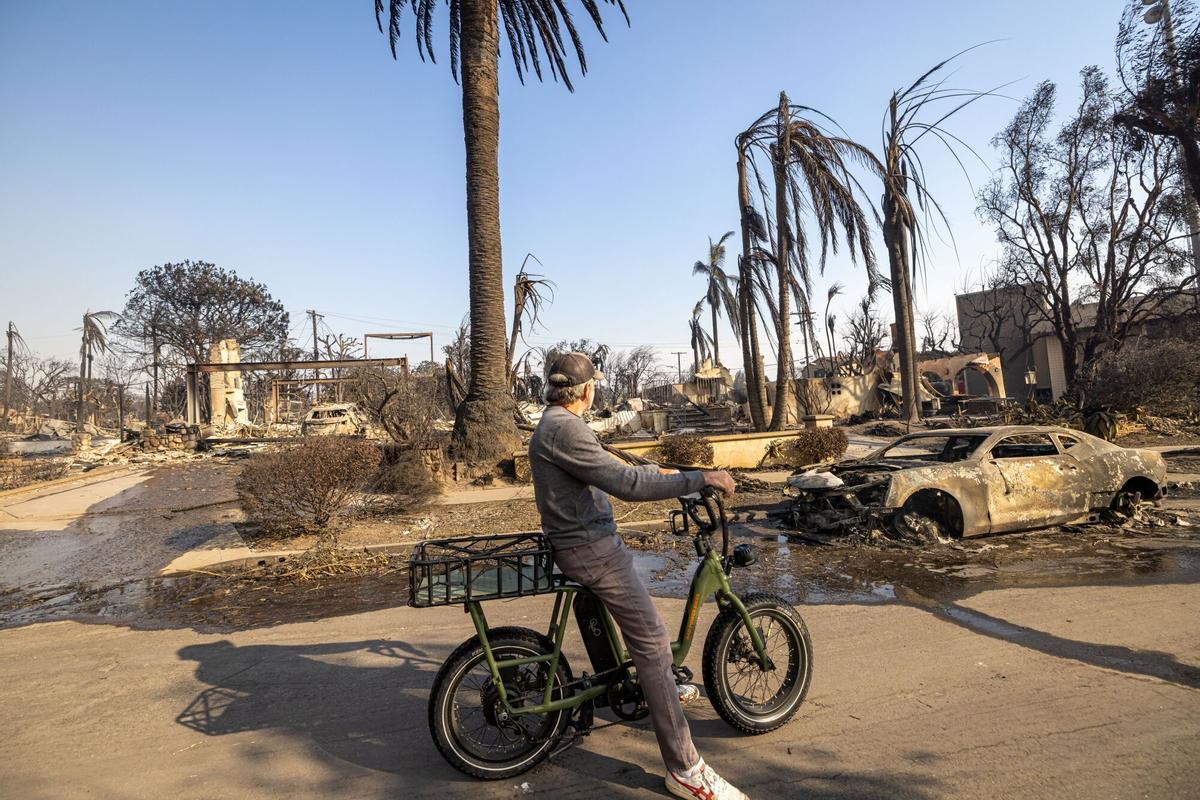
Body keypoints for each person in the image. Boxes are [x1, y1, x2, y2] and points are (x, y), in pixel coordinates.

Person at [528, 352, 750, 800]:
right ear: (587, 391)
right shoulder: (565, 427)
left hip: (581, 545)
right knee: (651, 643)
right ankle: (685, 768)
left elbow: (618, 470)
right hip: (592, 551)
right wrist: (699, 477)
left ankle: (654, 688)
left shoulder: (556, 423)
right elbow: (627, 486)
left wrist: (671, 473)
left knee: (645, 642)